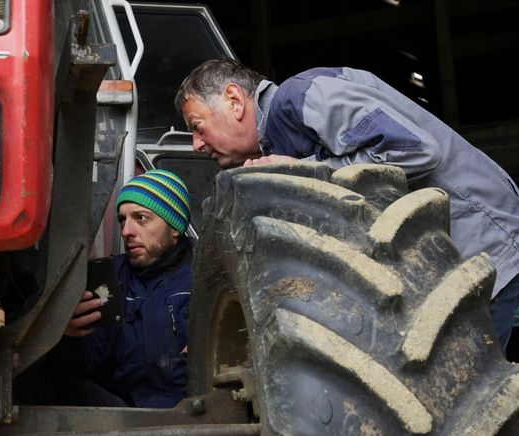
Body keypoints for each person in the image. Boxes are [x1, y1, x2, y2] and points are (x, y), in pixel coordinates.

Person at [175, 59, 519, 356]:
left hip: (491, 255)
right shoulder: (281, 140)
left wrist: (305, 169)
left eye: (197, 127)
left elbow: (414, 151)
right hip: (455, 274)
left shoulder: (302, 96)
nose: (196, 145)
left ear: (234, 100)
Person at [50, 169, 193, 408]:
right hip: (122, 416)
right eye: (122, 219)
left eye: (141, 218)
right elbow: (85, 366)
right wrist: (68, 337)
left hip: (192, 415)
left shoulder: (206, 278)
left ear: (175, 227)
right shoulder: (109, 278)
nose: (126, 231)